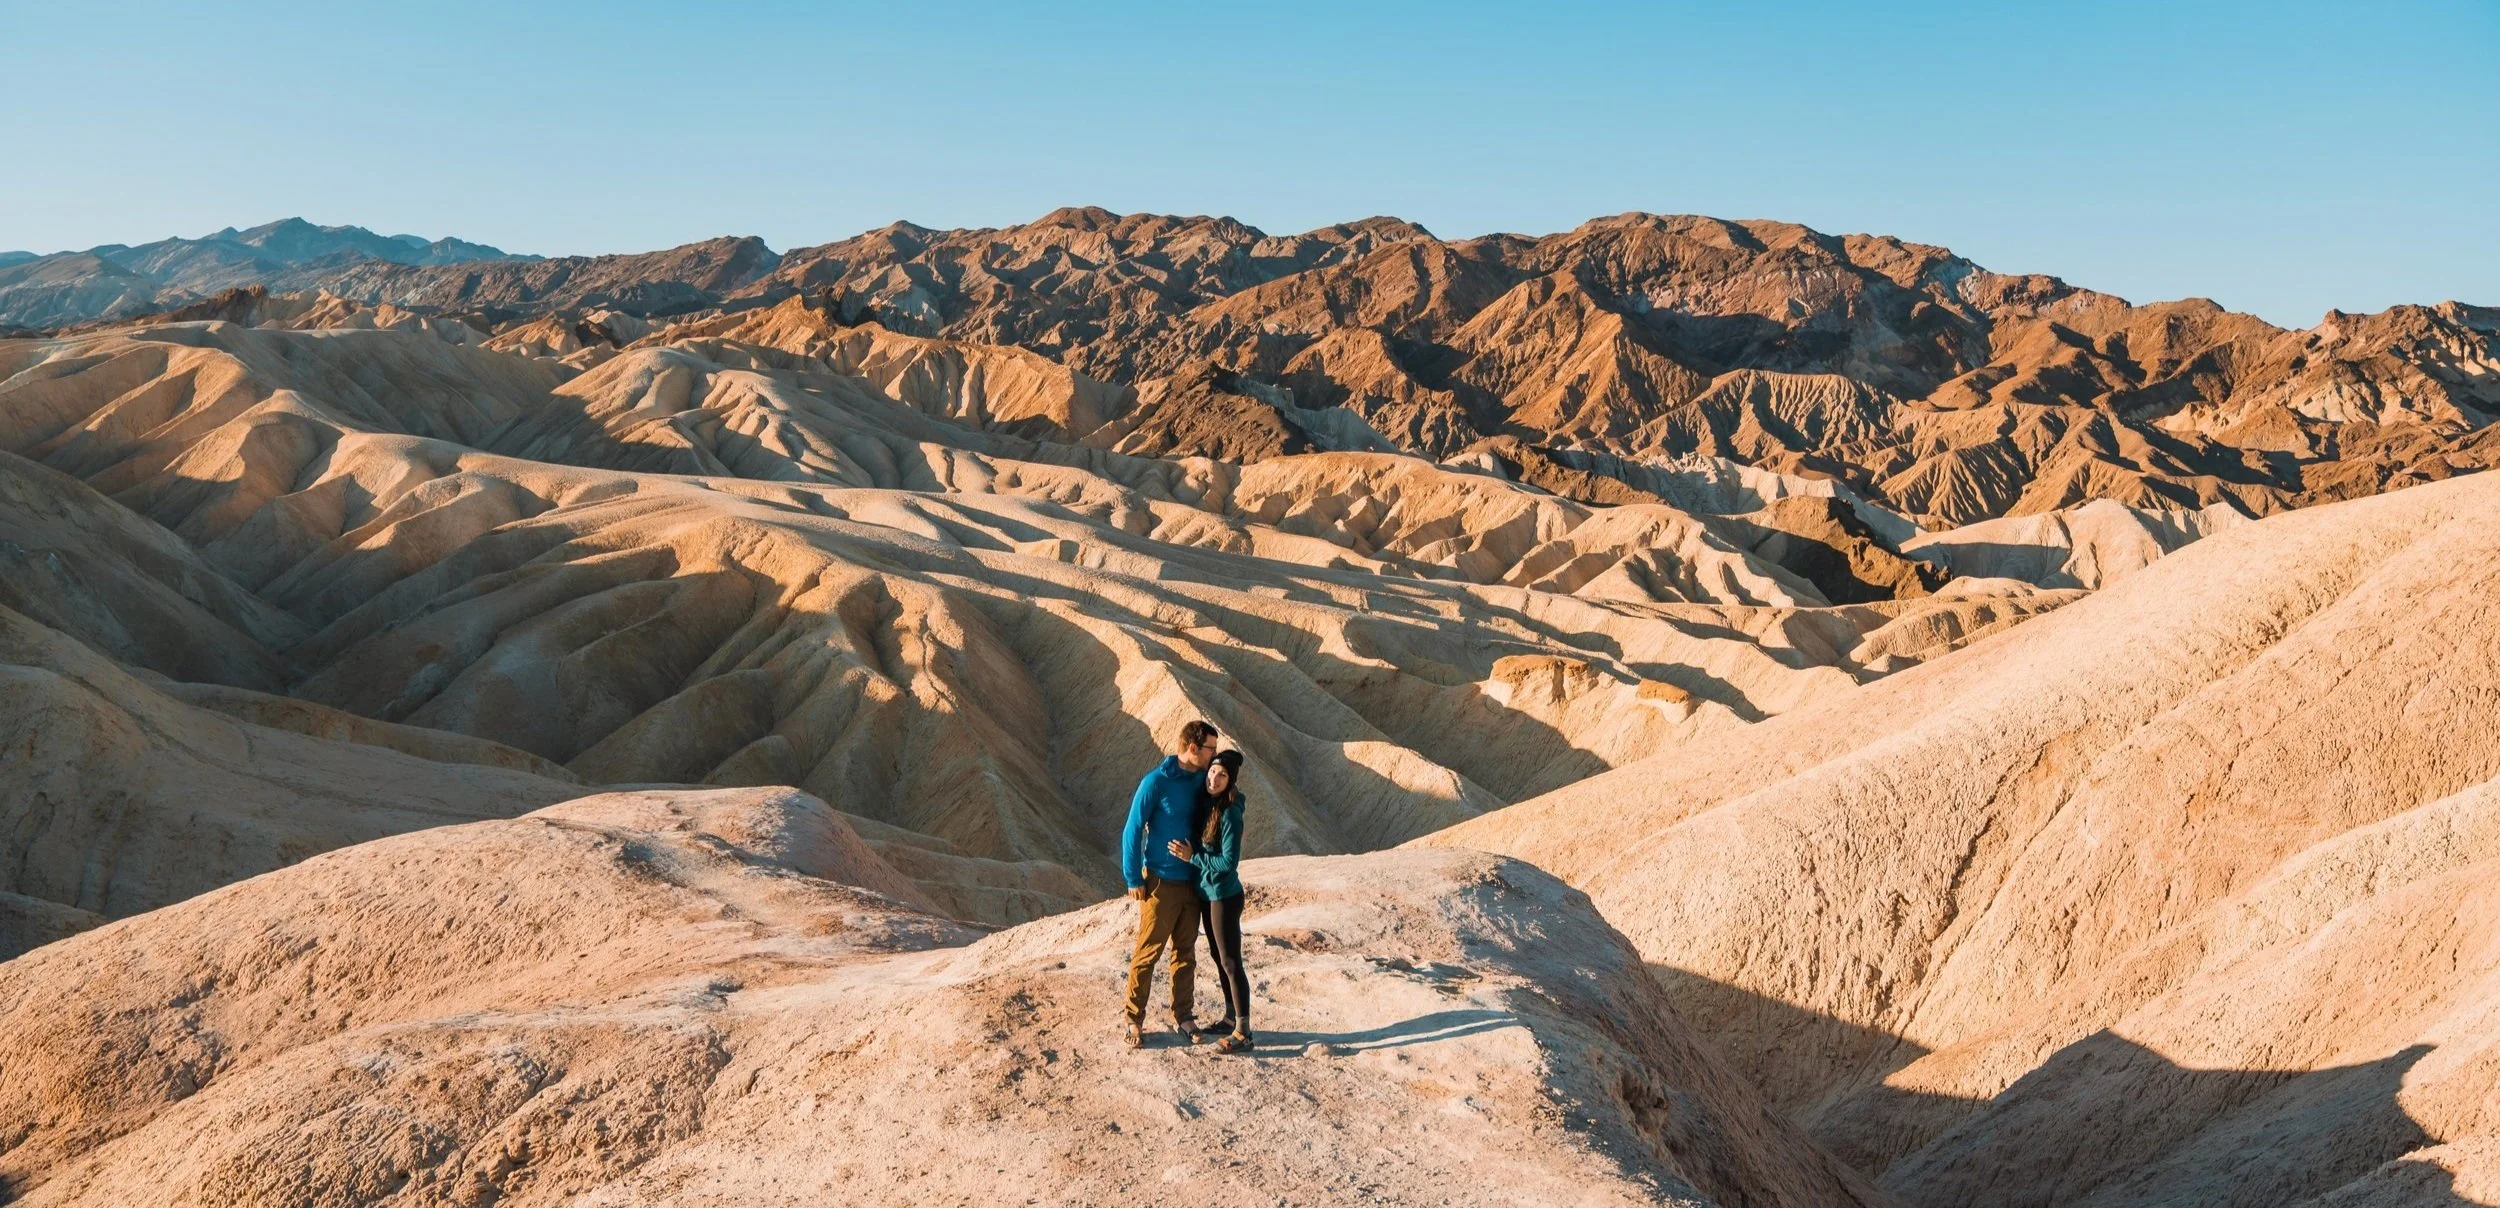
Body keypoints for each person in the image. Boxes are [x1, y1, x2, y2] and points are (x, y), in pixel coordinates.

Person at [1119, 718, 1220, 1048]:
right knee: (1148, 953)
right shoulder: (1156, 782)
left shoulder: (1202, 781)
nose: (1214, 756)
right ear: (1193, 748)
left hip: (1194, 882)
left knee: (1185, 953)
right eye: (1210, 750)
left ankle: (1184, 1016)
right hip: (1161, 883)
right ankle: (1134, 1018)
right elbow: (1133, 828)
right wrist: (1133, 876)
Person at [1170, 748, 1251, 1054]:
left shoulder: (1229, 813)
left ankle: (1244, 1032)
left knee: (1231, 962)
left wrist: (1194, 858)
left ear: (1231, 782)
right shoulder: (1209, 805)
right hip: (1207, 895)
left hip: (1224, 898)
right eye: (1213, 772)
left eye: (1223, 775)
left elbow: (1228, 862)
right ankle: (1231, 1017)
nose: (1214, 778)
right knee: (1219, 959)